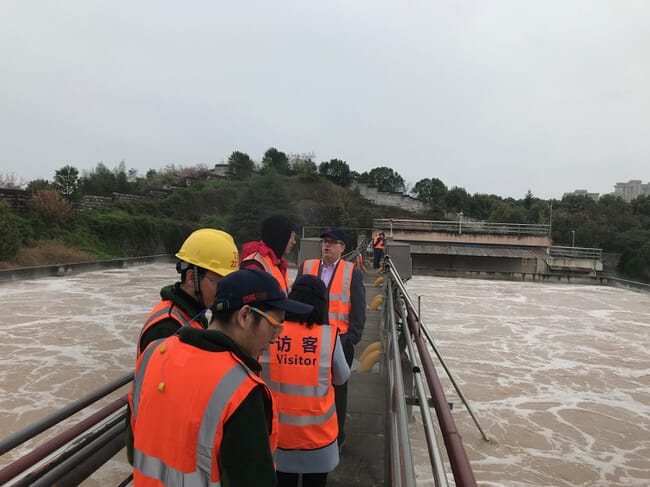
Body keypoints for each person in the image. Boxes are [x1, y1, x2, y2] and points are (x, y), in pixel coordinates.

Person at [127, 269, 313, 486]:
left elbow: (133, 449)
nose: (275, 338)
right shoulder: (242, 391)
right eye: (274, 325)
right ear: (244, 316)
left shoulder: (152, 354)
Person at [261, 275, 351, 487]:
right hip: (319, 441)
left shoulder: (271, 333)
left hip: (277, 438)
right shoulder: (328, 337)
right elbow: (342, 377)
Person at [297, 227, 366, 450]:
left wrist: (352, 338)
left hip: (340, 340)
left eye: (332, 242)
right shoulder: (307, 267)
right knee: (309, 385)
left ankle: (337, 435)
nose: (326, 245)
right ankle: (310, 431)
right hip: (309, 338)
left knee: (339, 388)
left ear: (342, 247)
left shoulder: (352, 271)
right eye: (324, 241)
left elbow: (359, 308)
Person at [137, 228, 240, 356]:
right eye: (221, 283)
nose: (227, 292)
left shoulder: (194, 313)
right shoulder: (167, 329)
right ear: (191, 278)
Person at [240, 214, 300, 296]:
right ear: (281, 237)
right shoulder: (254, 264)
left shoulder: (279, 263)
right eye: (291, 237)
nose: (294, 242)